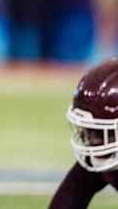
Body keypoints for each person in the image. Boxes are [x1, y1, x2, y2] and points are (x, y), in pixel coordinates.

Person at [49, 58, 118, 208]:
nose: (93, 140)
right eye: (90, 131)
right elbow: (68, 200)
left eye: (101, 132)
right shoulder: (107, 157)